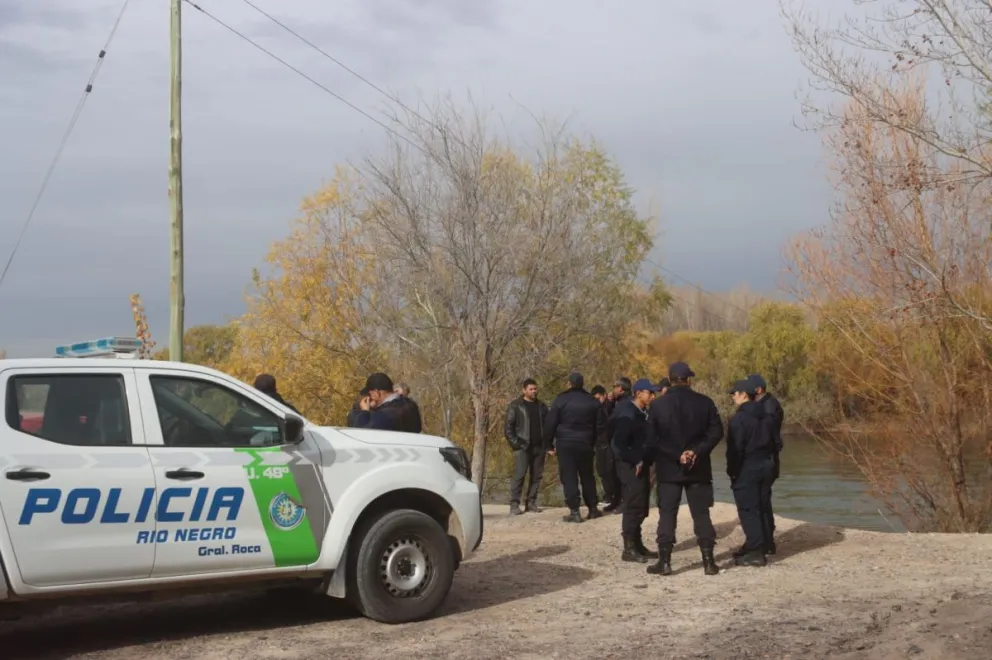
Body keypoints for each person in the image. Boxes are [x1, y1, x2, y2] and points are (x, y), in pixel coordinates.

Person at [644, 361, 724, 576]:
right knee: (701, 513)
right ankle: (709, 562)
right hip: (697, 467)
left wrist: (675, 454)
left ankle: (665, 562)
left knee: (667, 513)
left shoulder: (658, 406)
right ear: (688, 380)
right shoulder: (705, 403)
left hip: (669, 469)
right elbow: (716, 433)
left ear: (670, 380)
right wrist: (695, 451)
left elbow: (652, 440)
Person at [726, 379, 777, 567]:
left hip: (747, 466)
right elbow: (776, 443)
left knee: (748, 509)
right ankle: (762, 544)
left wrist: (732, 472)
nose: (732, 397)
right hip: (766, 465)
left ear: (744, 394)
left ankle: (756, 551)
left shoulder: (739, 419)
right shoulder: (768, 416)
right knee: (762, 506)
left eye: (734, 393)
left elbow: (735, 450)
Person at [544, 372, 606, 523]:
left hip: (565, 444)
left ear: (569, 384)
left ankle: (575, 511)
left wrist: (548, 444)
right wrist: (595, 442)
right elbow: (601, 425)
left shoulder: (561, 400)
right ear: (582, 384)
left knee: (569, 477)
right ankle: (592, 509)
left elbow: (550, 423)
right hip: (585, 443)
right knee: (587, 476)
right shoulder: (593, 402)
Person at [611, 378, 660, 562]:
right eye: (650, 393)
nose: (653, 396)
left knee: (641, 505)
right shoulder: (628, 414)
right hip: (630, 466)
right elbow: (618, 445)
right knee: (633, 505)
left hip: (642, 464)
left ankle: (637, 543)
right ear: (639, 393)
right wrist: (636, 460)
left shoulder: (642, 413)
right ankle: (628, 548)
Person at [748, 373, 784, 554]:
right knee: (761, 501)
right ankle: (765, 541)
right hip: (766, 460)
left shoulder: (769, 407)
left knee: (761, 502)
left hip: (766, 461)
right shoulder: (765, 405)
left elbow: (768, 434)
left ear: (759, 389)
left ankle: (766, 542)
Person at [504, 378, 549, 515]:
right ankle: (514, 504)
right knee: (520, 475)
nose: (534, 391)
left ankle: (531, 502)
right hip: (523, 447)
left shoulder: (541, 406)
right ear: (524, 390)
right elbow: (508, 428)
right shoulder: (516, 406)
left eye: (535, 389)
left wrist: (548, 445)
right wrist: (517, 444)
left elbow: (548, 426)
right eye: (531, 389)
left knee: (536, 476)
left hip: (539, 447)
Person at [597, 378, 629, 513]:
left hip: (624, 445)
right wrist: (609, 402)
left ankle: (625, 503)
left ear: (621, 388)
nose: (613, 389)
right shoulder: (616, 402)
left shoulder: (625, 404)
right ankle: (616, 500)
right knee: (614, 475)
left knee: (624, 476)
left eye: (614, 386)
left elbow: (609, 421)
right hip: (614, 445)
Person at [352, 372, 420, 432]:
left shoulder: (384, 415)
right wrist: (375, 408)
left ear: (377, 393)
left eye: (371, 394)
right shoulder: (411, 405)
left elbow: (361, 434)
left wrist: (364, 412)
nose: (370, 397)